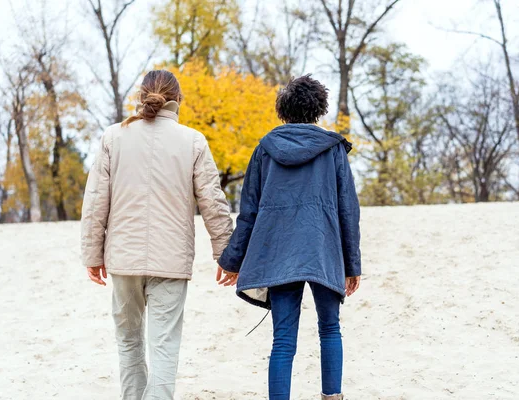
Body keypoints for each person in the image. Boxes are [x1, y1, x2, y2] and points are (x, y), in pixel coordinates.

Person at [81, 70, 233, 400]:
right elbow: (213, 201)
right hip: (171, 261)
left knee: (129, 343)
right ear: (178, 101)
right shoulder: (193, 140)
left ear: (141, 95)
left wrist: (92, 255)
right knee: (164, 348)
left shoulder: (112, 137)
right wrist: (226, 253)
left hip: (123, 259)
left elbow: (95, 201)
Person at [216, 75, 362, 400]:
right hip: (324, 250)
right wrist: (352, 265)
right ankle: (332, 397)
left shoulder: (265, 149)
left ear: (283, 110)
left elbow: (248, 213)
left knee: (282, 340)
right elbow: (348, 211)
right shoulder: (334, 150)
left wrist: (231, 260)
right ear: (319, 108)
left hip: (278, 251)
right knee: (330, 329)